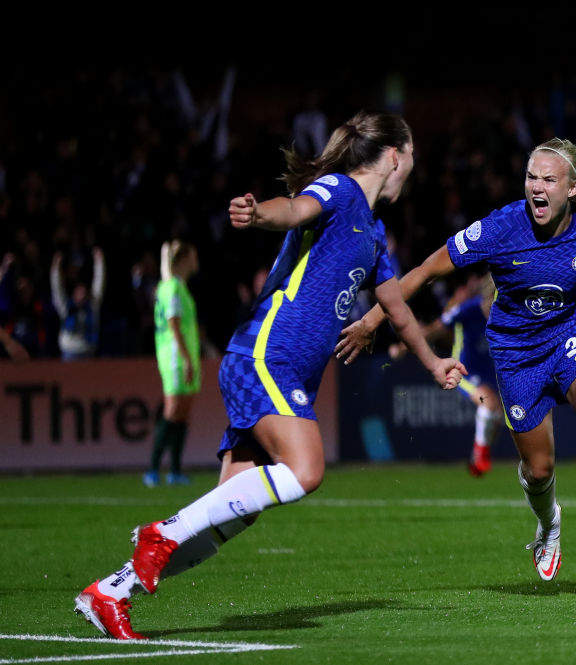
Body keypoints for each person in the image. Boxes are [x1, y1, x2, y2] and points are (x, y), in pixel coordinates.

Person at [75, 111, 466, 639]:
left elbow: (396, 310)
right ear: (395, 155)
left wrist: (433, 361)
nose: (413, 165)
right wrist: (259, 214)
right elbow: (296, 208)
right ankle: (161, 533)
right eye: (413, 153)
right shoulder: (341, 190)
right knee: (306, 470)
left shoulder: (372, 233)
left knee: (230, 516)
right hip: (266, 355)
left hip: (277, 367)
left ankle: (111, 592)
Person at [338, 138, 576, 582]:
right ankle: (548, 526)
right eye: (531, 177)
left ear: (573, 188)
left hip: (574, 334)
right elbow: (427, 270)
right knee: (538, 468)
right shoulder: (501, 228)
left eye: (548, 179)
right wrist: (372, 320)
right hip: (516, 353)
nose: (536, 187)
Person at [391, 271, 501, 475]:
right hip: (465, 371)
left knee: (496, 416)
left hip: (493, 373)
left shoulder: (509, 313)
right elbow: (435, 329)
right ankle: (479, 455)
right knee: (488, 401)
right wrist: (403, 347)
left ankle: (477, 458)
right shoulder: (467, 310)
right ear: (486, 296)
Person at [144, 240, 202, 487]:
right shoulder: (174, 290)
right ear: (184, 259)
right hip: (175, 357)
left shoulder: (175, 286)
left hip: (185, 355)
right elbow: (173, 324)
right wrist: (187, 359)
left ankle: (175, 470)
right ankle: (153, 468)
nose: (196, 261)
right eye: (193, 256)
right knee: (172, 410)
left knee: (183, 413)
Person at [51, 248, 105, 359]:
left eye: (84, 292)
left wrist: (99, 262)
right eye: (79, 292)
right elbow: (57, 288)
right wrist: (56, 267)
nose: (82, 294)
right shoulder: (66, 308)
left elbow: (99, 284)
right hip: (69, 352)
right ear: (74, 295)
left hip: (88, 351)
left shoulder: (92, 307)